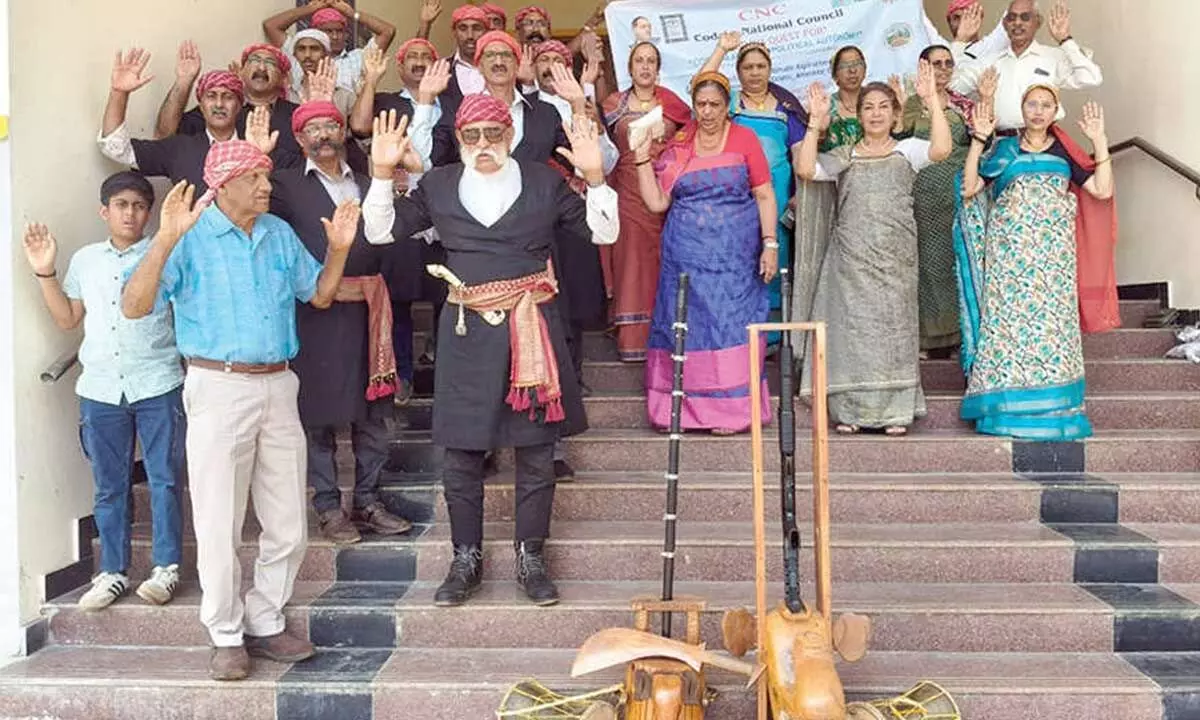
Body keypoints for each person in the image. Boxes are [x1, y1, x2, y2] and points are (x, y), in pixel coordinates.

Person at [362, 99, 619, 606]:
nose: (483, 143)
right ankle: (466, 558)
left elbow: (602, 231)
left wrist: (595, 178)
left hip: (533, 327)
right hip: (466, 331)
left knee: (538, 452)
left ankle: (532, 558)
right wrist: (379, 173)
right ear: (459, 138)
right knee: (459, 453)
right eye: (472, 134)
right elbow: (379, 232)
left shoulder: (544, 182)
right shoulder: (437, 185)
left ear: (509, 133)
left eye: (492, 133)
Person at [120, 142, 361, 681]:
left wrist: (339, 249)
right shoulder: (189, 235)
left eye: (266, 176)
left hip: (279, 384)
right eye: (253, 177)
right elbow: (134, 306)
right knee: (218, 519)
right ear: (222, 183)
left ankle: (266, 619)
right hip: (216, 384)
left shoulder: (276, 234)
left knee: (288, 524)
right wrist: (163, 238)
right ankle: (225, 633)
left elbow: (319, 295)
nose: (265, 186)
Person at [245, 102, 415, 544]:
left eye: (330, 125)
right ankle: (327, 506)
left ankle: (368, 501)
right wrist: (253, 155)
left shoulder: (368, 183)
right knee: (317, 414)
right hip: (312, 311)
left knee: (375, 410)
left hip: (369, 309)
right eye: (311, 127)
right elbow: (257, 233)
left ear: (343, 133)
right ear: (298, 139)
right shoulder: (280, 187)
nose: (322, 133)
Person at [22, 173, 185, 611]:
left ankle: (165, 568)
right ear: (104, 211)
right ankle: (112, 572)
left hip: (158, 382)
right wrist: (45, 272)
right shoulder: (86, 260)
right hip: (100, 388)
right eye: (121, 205)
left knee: (165, 480)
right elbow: (68, 319)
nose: (130, 213)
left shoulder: (164, 255)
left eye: (138, 206)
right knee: (109, 486)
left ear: (150, 213)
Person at [794, 62, 952, 436]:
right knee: (853, 335)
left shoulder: (906, 150)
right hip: (851, 261)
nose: (876, 113)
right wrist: (816, 123)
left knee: (894, 333)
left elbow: (943, 150)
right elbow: (806, 170)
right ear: (858, 115)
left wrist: (930, 100)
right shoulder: (846, 155)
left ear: (896, 114)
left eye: (884, 106)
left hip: (896, 259)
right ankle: (850, 411)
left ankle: (895, 413)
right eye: (868, 107)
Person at [956, 87, 1115, 439]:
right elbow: (969, 188)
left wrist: (1099, 141)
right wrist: (979, 141)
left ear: (1055, 110)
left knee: (1051, 332)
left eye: (1046, 105)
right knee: (1010, 332)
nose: (1039, 111)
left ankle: (1054, 407)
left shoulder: (1063, 150)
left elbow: (1102, 190)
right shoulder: (1004, 149)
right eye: (1032, 104)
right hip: (1010, 264)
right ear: (1022, 108)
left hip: (1053, 263)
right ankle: (1004, 409)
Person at [634, 72, 777, 434]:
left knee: (729, 328)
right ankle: (678, 412)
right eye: (701, 104)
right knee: (688, 329)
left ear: (727, 106)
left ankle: (731, 412)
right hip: (685, 259)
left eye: (715, 104)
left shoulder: (745, 139)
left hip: (735, 261)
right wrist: (640, 161)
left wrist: (771, 243)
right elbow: (655, 202)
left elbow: (763, 194)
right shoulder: (680, 144)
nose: (708, 111)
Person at [699, 33, 808, 342]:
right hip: (735, 195)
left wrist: (801, 191)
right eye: (748, 67)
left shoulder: (787, 105)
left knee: (775, 254)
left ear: (770, 69)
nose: (755, 72)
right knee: (739, 255)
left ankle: (773, 336)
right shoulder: (728, 103)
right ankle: (738, 330)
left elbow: (799, 153)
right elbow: (702, 82)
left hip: (775, 193)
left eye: (761, 66)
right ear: (738, 72)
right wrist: (721, 49)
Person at [898, 47, 995, 357]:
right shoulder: (909, 103)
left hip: (956, 194)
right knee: (923, 265)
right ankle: (925, 340)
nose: (942, 69)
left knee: (956, 262)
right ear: (922, 66)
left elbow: (984, 139)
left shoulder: (964, 104)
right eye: (935, 63)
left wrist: (987, 99)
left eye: (947, 63)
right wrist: (900, 108)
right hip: (919, 197)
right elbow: (896, 139)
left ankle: (957, 336)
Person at [600, 41, 691, 362]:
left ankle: (666, 338)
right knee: (632, 262)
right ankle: (633, 341)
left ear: (658, 67)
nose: (645, 66)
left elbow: (691, 138)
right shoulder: (614, 103)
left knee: (663, 261)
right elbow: (604, 147)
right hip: (627, 191)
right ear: (630, 67)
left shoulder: (673, 104)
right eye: (639, 60)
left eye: (651, 61)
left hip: (665, 191)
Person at [99, 48, 242, 196]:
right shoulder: (179, 149)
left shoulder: (258, 144)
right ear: (202, 107)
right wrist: (119, 93)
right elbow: (114, 147)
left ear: (239, 106)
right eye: (211, 96)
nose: (219, 104)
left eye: (228, 97)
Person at [950, 0, 1102, 132]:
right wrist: (960, 41)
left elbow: (1091, 78)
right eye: (1011, 18)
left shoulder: (1053, 56)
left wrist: (1065, 40)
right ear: (1004, 24)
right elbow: (950, 87)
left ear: (1038, 22)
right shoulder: (988, 62)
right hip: (1002, 145)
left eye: (1025, 17)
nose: (1017, 23)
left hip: (1047, 140)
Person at [158, 43, 308, 170]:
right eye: (254, 60)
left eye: (270, 63)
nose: (261, 67)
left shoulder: (298, 114)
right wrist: (184, 81)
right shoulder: (221, 109)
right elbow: (165, 134)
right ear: (242, 72)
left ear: (283, 78)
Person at [262, 0, 396, 91]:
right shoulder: (301, 55)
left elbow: (387, 31)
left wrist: (351, 13)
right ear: (315, 33)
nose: (335, 36)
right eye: (328, 31)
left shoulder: (358, 58)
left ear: (346, 34)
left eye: (339, 31)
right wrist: (309, 9)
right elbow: (271, 26)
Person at [532, 41, 618, 175]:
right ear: (534, 69)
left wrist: (599, 128)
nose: (551, 66)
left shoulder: (588, 106)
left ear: (569, 70)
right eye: (544, 60)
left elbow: (608, 165)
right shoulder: (526, 105)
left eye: (557, 61)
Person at [284, 29, 357, 119]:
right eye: (301, 49)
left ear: (326, 54)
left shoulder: (345, 96)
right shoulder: (287, 94)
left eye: (314, 49)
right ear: (295, 55)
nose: (307, 55)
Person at [922, 0, 1009, 65]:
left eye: (969, 16)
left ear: (980, 19)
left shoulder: (993, 46)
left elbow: (1017, 10)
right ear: (949, 21)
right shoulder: (939, 49)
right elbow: (918, 15)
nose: (963, 23)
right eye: (957, 17)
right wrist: (961, 40)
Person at [445, 5, 490, 99]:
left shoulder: (498, 67)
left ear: (486, 32)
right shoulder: (441, 70)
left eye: (477, 28)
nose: (470, 36)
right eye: (463, 28)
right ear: (454, 32)